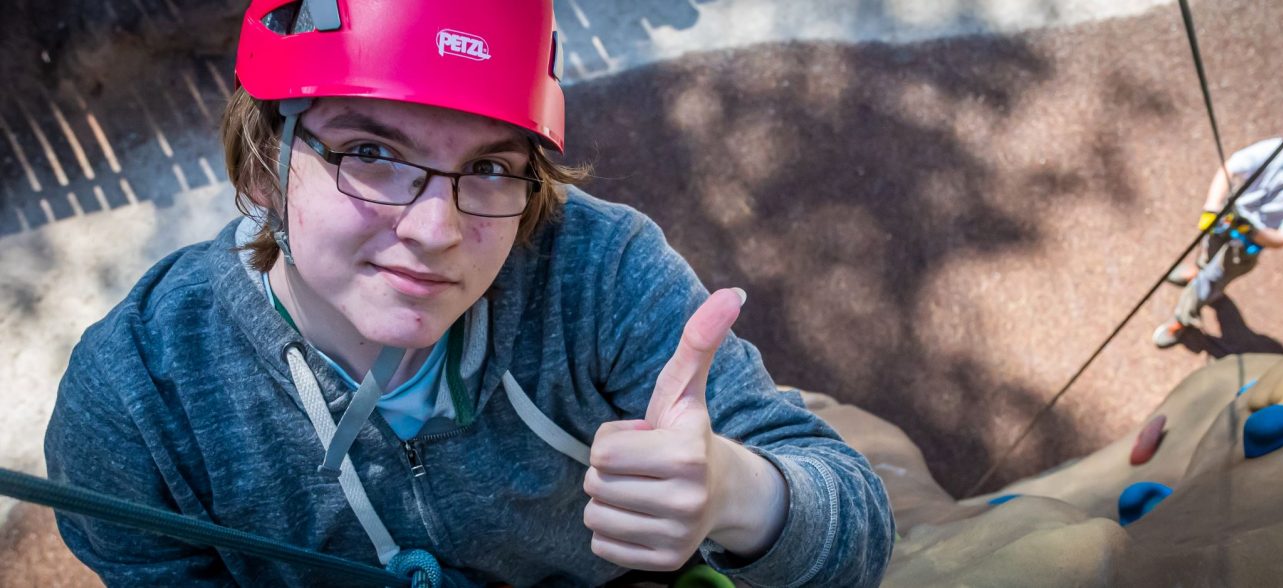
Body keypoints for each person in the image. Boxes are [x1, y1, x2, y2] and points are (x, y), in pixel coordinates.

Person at [42, 1, 895, 586]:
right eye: (371, 153)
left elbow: (853, 523)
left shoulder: (596, 271)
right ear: (265, 160)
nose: (436, 229)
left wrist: (738, 493)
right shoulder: (138, 402)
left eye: (489, 168)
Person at [1152, 112, 1283, 348]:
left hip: (1246, 244)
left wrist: (1248, 229)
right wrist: (1212, 208)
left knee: (1209, 282)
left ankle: (1182, 319)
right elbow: (1229, 169)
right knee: (1208, 255)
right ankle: (1200, 269)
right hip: (1226, 219)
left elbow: (1282, 238)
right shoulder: (1277, 150)